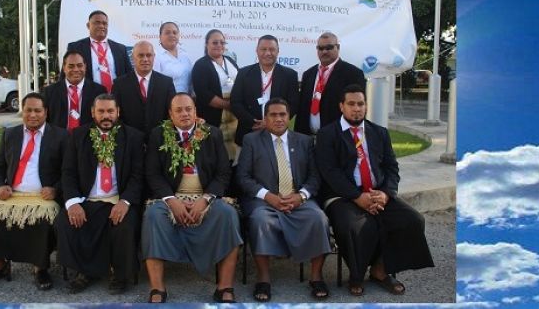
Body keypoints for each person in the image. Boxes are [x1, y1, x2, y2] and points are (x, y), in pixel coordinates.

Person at [315, 84, 434, 296]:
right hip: (341, 195)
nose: (356, 108)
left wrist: (386, 194)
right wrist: (357, 196)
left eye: (360, 104)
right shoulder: (327, 134)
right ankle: (356, 276)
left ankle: (380, 270)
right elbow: (330, 172)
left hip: (378, 193)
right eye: (351, 104)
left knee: (413, 220)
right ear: (341, 106)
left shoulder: (379, 133)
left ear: (366, 106)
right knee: (357, 225)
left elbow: (391, 168)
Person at [141, 93, 242, 303]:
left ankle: (224, 286)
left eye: (188, 109)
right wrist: (172, 200)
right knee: (152, 216)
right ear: (170, 114)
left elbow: (223, 173)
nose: (184, 113)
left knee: (228, 215)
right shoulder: (159, 134)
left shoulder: (212, 134)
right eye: (178, 110)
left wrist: (204, 200)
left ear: (196, 111)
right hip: (170, 199)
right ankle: (157, 288)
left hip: (205, 198)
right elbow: (153, 173)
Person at [0, 92, 68, 291]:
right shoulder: (10, 134)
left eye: (37, 110)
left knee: (40, 222)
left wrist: (56, 189)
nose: (33, 115)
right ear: (22, 112)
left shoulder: (60, 135)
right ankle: (0, 267)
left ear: (45, 112)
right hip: (12, 194)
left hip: (42, 197)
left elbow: (68, 171)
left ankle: (40, 269)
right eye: (28, 110)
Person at [236, 97, 332, 302]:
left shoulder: (305, 141)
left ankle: (316, 276)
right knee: (260, 220)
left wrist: (301, 196)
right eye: (273, 115)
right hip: (264, 201)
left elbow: (315, 177)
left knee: (319, 219)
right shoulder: (251, 140)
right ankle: (263, 277)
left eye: (283, 115)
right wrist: (268, 196)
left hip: (298, 199)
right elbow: (242, 177)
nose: (278, 119)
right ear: (265, 118)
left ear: (289, 117)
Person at [54, 93, 145, 295]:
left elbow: (138, 176)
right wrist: (72, 203)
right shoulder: (78, 136)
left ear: (118, 112)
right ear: (93, 113)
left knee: (125, 224)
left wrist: (126, 201)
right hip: (88, 198)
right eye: (101, 111)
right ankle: (84, 272)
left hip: (117, 198)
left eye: (110, 111)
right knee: (66, 221)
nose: (106, 116)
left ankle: (119, 274)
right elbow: (67, 173)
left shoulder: (133, 137)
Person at [230, 35, 299, 147]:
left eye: (272, 49)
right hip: (249, 131)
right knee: (247, 164)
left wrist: (272, 122)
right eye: (263, 49)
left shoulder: (289, 75)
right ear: (257, 51)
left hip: (278, 133)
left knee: (277, 164)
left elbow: (293, 104)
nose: (268, 53)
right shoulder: (244, 73)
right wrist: (252, 122)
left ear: (278, 51)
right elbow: (235, 102)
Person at [295, 32, 366, 135]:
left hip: (337, 138)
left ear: (338, 47)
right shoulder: (308, 74)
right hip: (308, 138)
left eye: (329, 48)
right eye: (320, 48)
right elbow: (302, 109)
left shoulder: (353, 74)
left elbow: (357, 108)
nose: (324, 51)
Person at [112, 40, 175, 139]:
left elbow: (172, 112)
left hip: (159, 140)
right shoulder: (119, 84)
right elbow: (116, 114)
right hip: (129, 141)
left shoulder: (166, 83)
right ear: (133, 58)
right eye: (140, 55)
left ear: (154, 57)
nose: (145, 59)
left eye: (149, 55)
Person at [67, 10, 133, 92]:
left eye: (104, 23)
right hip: (88, 97)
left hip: (116, 97)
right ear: (88, 25)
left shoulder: (120, 49)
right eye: (97, 23)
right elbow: (66, 75)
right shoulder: (75, 47)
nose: (101, 26)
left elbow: (129, 75)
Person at [42, 50, 106, 132]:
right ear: (64, 68)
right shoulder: (49, 92)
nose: (76, 69)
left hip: (88, 140)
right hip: (59, 141)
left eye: (79, 66)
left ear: (85, 67)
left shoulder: (99, 91)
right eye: (71, 66)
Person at [191, 29, 240, 127]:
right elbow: (203, 94)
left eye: (222, 42)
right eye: (215, 42)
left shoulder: (230, 60)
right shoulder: (200, 65)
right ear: (206, 44)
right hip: (213, 117)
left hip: (235, 116)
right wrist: (229, 106)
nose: (219, 45)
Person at [153, 22, 194, 94]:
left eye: (175, 33)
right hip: (167, 101)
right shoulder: (156, 56)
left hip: (186, 100)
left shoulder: (185, 55)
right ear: (160, 36)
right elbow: (155, 84)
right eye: (167, 33)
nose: (172, 35)